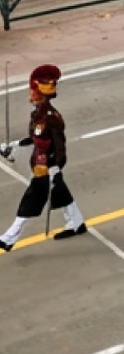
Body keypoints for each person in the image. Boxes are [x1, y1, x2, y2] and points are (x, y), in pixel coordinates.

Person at [0, 64, 89, 251]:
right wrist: (13, 147)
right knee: (60, 191)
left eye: (33, 91)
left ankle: (9, 238)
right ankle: (76, 222)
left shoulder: (50, 117)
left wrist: (55, 167)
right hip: (40, 162)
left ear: (39, 92)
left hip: (46, 166)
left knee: (31, 199)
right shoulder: (38, 114)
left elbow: (60, 147)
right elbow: (35, 139)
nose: (30, 95)